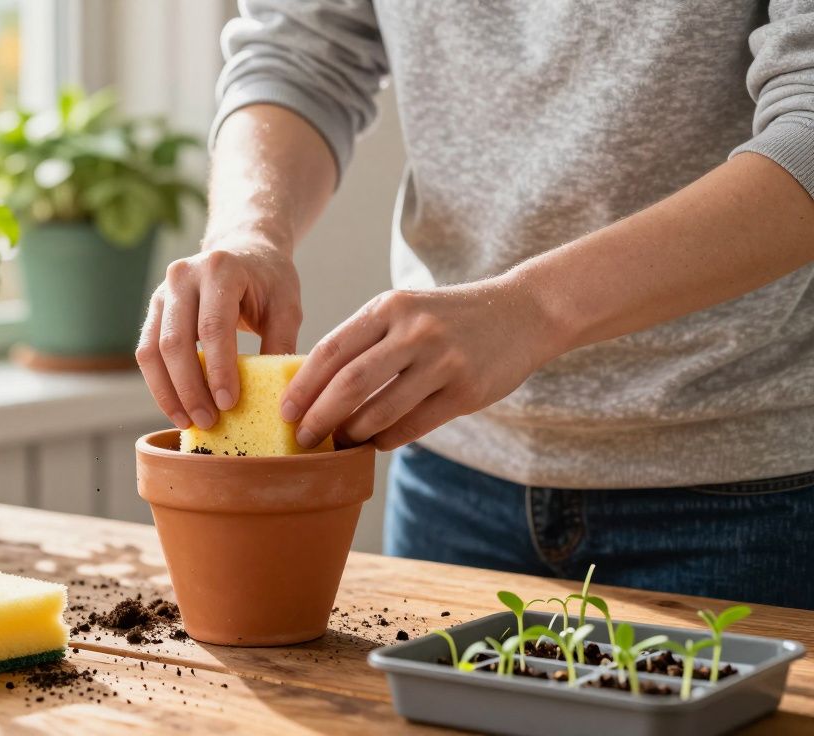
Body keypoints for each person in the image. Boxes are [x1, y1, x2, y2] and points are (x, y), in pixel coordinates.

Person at [135, 1, 814, 609]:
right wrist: (248, 228)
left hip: (748, 493)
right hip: (450, 476)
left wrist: (531, 310)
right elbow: (300, 53)